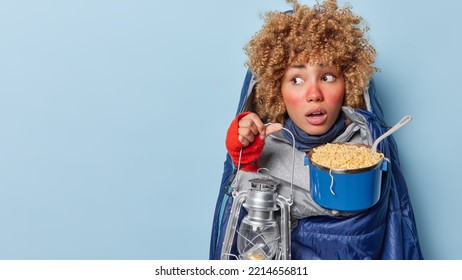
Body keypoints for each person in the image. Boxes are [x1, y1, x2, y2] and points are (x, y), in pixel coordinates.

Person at [210, 0, 423, 260]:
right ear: (277, 89)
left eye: (328, 77)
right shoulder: (266, 145)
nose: (314, 94)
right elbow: (246, 240)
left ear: (349, 83)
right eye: (296, 80)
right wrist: (245, 162)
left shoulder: (370, 146)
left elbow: (389, 234)